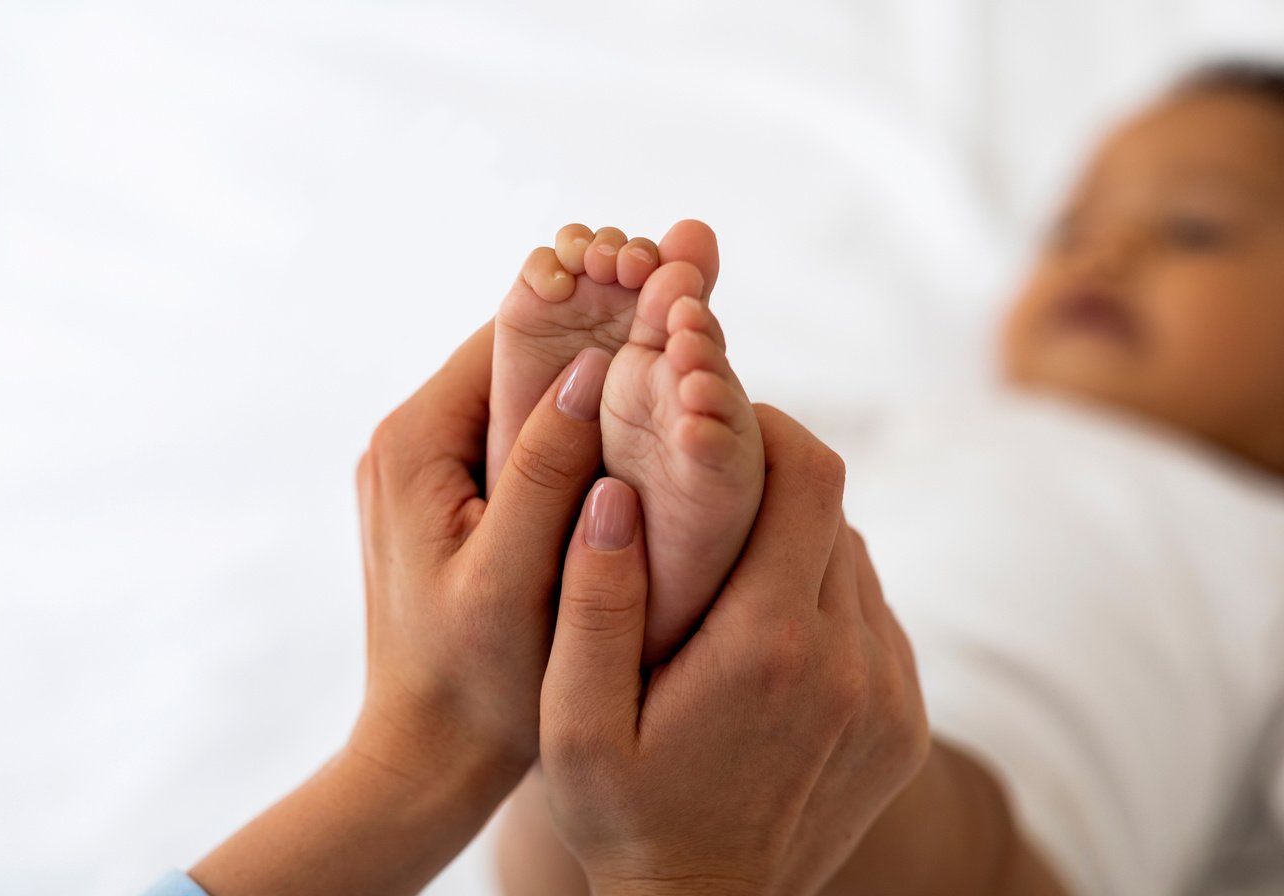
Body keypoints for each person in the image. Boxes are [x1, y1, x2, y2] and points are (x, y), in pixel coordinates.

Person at [499, 61, 1284, 895]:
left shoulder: (1260, 531)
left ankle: (642, 634)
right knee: (582, 775)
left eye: (1197, 229)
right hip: (776, 676)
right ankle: (611, 632)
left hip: (994, 828)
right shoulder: (929, 427)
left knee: (884, 779)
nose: (1106, 251)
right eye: (1068, 229)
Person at [142, 313, 931, 895]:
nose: (1063, 270)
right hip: (964, 668)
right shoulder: (968, 420)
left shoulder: (976, 428)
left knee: (569, 811)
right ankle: (649, 646)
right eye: (1060, 233)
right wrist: (689, 874)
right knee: (961, 833)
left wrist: (432, 741)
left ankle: (615, 660)